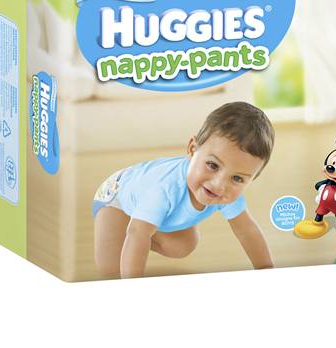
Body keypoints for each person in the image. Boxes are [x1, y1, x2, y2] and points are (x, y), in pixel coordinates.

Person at [93, 101, 275, 278]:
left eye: (237, 178)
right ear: (192, 149)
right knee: (110, 268)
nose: (219, 185)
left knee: (184, 244)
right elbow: (137, 234)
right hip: (116, 197)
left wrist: (267, 269)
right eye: (213, 165)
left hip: (148, 205)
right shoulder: (164, 188)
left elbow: (247, 231)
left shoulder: (228, 193)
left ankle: (146, 224)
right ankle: (137, 225)